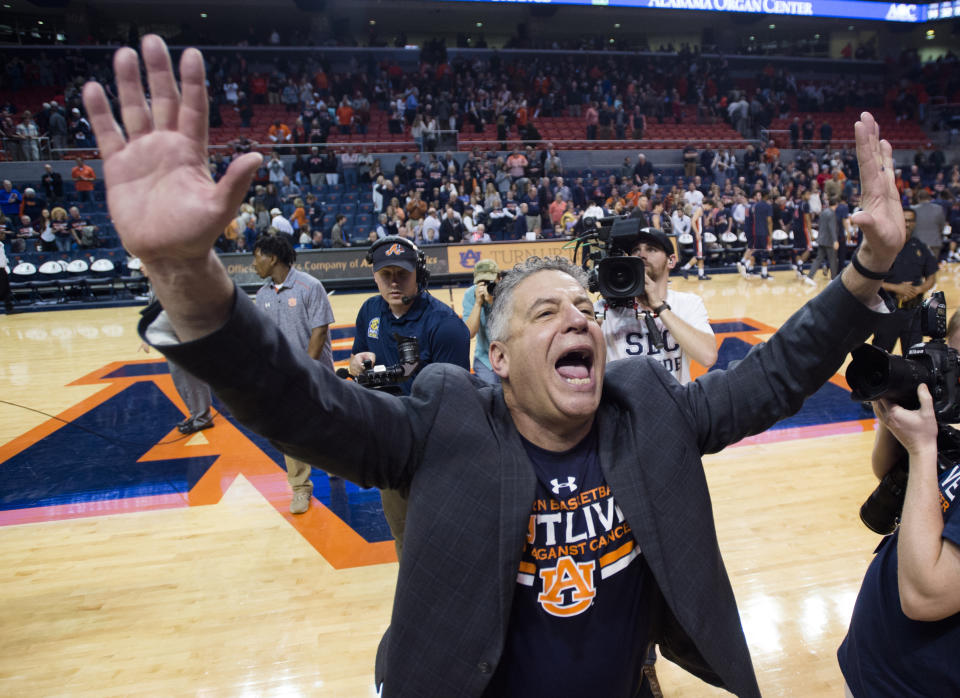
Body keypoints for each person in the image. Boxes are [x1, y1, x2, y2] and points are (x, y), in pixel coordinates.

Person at [86, 37, 906, 696]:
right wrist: (189, 282)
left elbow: (776, 374)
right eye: (548, 311)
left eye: (584, 307)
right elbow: (296, 401)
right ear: (500, 357)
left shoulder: (646, 405)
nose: (579, 317)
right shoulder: (444, 421)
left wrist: (864, 272)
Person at [837, 312, 960, 695]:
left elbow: (925, 597)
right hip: (870, 670)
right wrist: (894, 416)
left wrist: (923, 448)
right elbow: (888, 473)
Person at [348, 235, 470, 557]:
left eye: (402, 273)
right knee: (404, 537)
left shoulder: (444, 326)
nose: (394, 282)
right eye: (385, 274)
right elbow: (360, 355)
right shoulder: (370, 311)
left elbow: (458, 402)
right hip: (390, 446)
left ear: (419, 273)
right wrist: (356, 363)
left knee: (449, 538)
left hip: (436, 453)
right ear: (374, 274)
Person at [252, 233, 336, 515]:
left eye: (257, 256)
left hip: (315, 373)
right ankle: (300, 488)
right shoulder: (262, 294)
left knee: (328, 425)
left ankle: (337, 463)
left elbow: (320, 331)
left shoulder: (309, 286)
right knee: (289, 432)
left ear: (273, 258)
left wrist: (305, 370)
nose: (254, 264)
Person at [596, 228, 717, 384]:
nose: (641, 254)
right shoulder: (604, 308)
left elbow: (707, 356)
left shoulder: (688, 303)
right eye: (635, 250)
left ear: (671, 260)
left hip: (676, 405)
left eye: (651, 249)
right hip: (624, 407)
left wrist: (659, 306)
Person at [138, 263, 214, 434]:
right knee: (180, 379)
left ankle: (203, 418)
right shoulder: (156, 283)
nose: (140, 267)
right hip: (172, 338)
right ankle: (196, 415)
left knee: (192, 378)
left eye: (143, 263)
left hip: (186, 337)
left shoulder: (171, 280)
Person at [872, 208, 938, 355]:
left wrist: (917, 290)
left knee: (913, 358)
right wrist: (897, 288)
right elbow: (871, 280)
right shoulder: (884, 246)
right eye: (904, 220)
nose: (907, 224)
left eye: (910, 221)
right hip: (888, 313)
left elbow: (931, 277)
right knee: (879, 356)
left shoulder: (920, 246)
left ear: (914, 223)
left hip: (914, 314)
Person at [462, 259, 500, 385]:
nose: (486, 285)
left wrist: (493, 303)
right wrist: (478, 303)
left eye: (490, 281)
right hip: (485, 358)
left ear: (499, 279)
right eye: (481, 282)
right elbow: (469, 333)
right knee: (487, 396)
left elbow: (510, 330)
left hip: (511, 356)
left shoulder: (508, 292)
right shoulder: (470, 295)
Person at [805, 197, 840, 285]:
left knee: (818, 259)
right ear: (836, 204)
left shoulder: (824, 212)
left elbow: (820, 225)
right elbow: (832, 228)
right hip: (829, 241)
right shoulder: (832, 214)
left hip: (821, 239)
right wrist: (835, 240)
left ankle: (809, 277)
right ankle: (833, 280)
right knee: (833, 260)